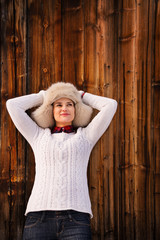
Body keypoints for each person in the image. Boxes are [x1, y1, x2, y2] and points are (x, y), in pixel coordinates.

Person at [6, 82, 117, 240]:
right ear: (51, 110)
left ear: (76, 109)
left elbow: (110, 105)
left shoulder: (86, 136)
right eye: (58, 104)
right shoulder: (38, 136)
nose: (64, 108)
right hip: (38, 217)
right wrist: (46, 95)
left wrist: (81, 95)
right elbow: (12, 105)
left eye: (69, 104)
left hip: (77, 219)